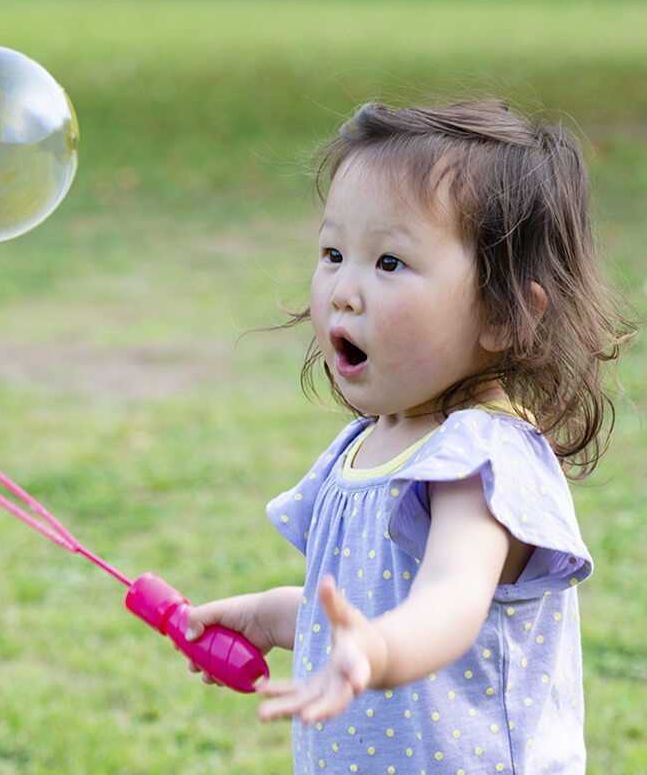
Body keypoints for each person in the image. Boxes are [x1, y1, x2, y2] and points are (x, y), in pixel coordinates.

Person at [184, 100, 636, 774]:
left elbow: (452, 596)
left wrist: (377, 651)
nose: (343, 290)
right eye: (334, 253)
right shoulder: (368, 444)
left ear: (506, 314)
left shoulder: (481, 457)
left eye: (389, 263)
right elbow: (376, 603)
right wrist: (278, 616)